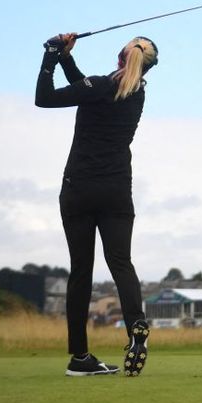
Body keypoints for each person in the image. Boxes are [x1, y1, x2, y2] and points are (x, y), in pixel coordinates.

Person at [35, 32, 156, 377]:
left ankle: (80, 357)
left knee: (81, 272)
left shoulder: (100, 86)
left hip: (79, 189)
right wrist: (67, 58)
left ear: (120, 56)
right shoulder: (137, 93)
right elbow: (86, 89)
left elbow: (45, 98)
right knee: (121, 262)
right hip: (116, 191)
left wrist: (50, 55)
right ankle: (136, 325)